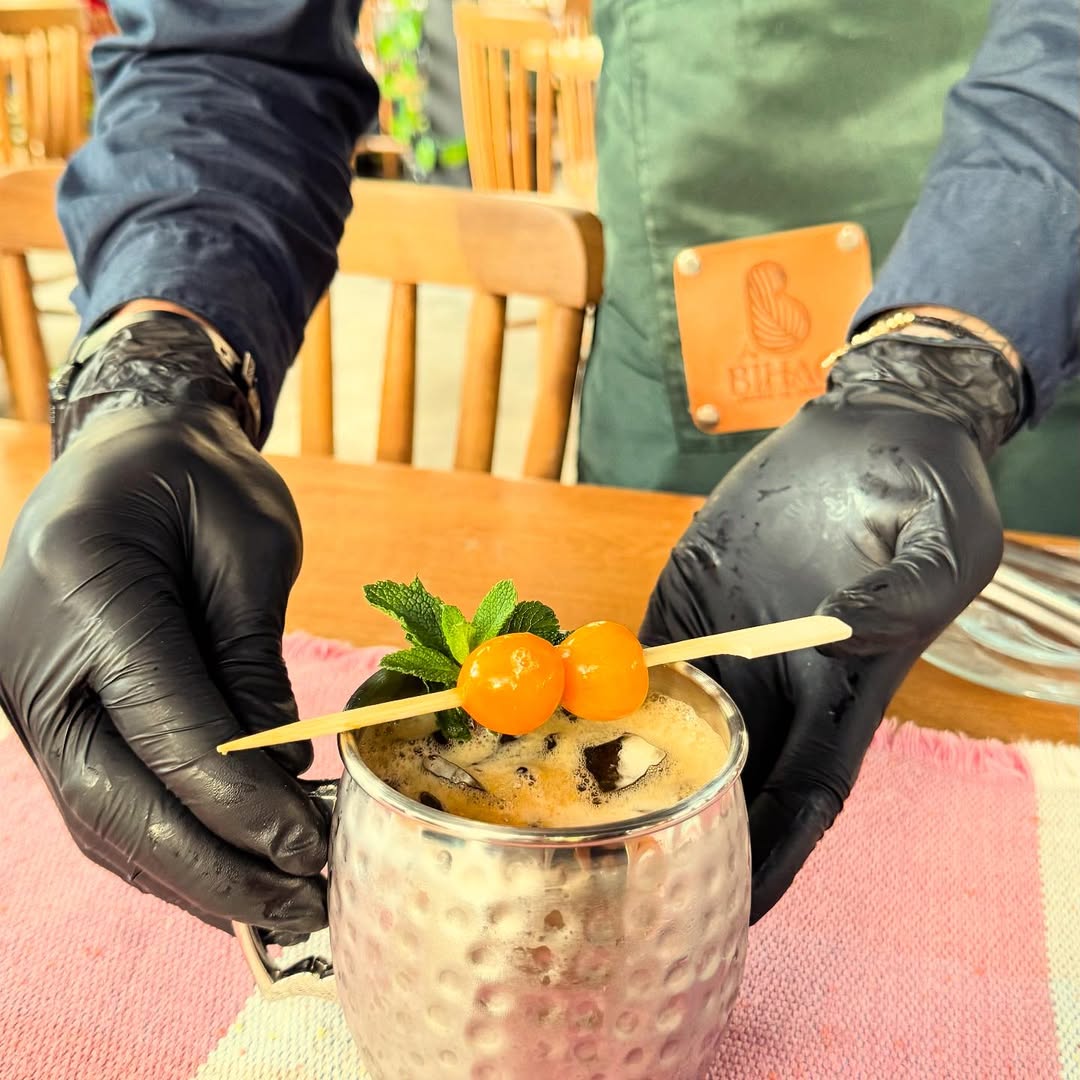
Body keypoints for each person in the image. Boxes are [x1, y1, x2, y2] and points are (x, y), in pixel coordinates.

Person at [0, 0, 1075, 937]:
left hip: (1026, 358)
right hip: (673, 356)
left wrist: (943, 365)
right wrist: (153, 368)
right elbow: (227, 48)